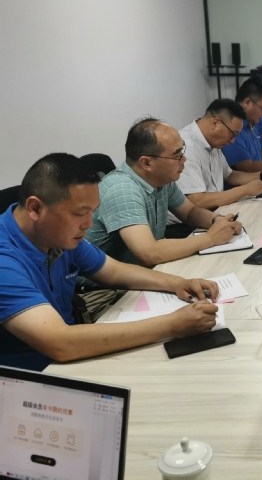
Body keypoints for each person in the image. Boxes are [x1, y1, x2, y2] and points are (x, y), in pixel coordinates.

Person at [0, 154, 219, 371]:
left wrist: (178, 283)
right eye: (80, 214)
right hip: (34, 373)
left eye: (92, 212)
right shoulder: (5, 260)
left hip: (74, 353)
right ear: (35, 208)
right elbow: (60, 343)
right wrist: (172, 325)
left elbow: (113, 271)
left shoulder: (55, 235)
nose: (88, 224)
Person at [85, 118, 242, 266]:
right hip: (107, 284)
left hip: (146, 270)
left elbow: (190, 212)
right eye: (177, 156)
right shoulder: (122, 190)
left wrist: (218, 221)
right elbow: (149, 253)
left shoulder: (161, 179)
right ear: (146, 163)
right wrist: (210, 238)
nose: (184, 160)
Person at [176, 98, 262, 212]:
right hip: (192, 220)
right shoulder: (185, 147)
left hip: (217, 211)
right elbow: (197, 200)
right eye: (233, 134)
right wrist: (245, 190)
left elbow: (229, 175)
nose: (232, 141)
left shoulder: (213, 141)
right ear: (215, 123)